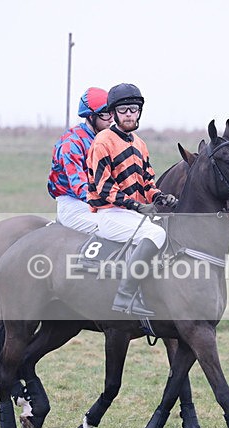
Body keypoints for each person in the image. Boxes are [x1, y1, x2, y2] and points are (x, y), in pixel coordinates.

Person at [86, 83, 178, 316]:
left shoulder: (139, 143)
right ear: (114, 113)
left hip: (131, 214)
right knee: (156, 234)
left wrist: (160, 197)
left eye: (133, 109)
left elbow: (147, 182)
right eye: (124, 110)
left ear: (139, 112)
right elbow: (103, 186)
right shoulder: (103, 141)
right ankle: (124, 295)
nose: (129, 114)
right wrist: (136, 205)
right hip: (110, 214)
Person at [47, 87, 113, 232]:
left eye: (112, 113)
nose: (111, 119)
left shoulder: (105, 140)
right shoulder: (72, 143)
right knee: (115, 229)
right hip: (73, 205)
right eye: (106, 114)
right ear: (90, 116)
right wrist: (107, 202)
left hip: (97, 204)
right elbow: (79, 185)